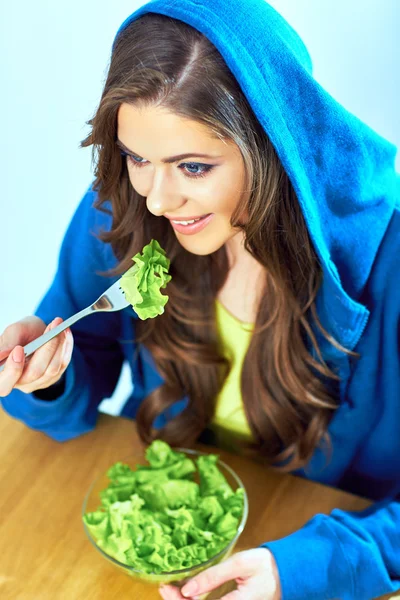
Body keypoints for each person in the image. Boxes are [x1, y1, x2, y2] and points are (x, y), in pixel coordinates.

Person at [0, 0, 399, 598]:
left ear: (272, 145)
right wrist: (48, 377)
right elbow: (78, 389)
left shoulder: (387, 254)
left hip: (321, 537)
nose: (158, 199)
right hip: (175, 519)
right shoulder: (120, 209)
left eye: (192, 167)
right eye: (138, 158)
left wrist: (308, 569)